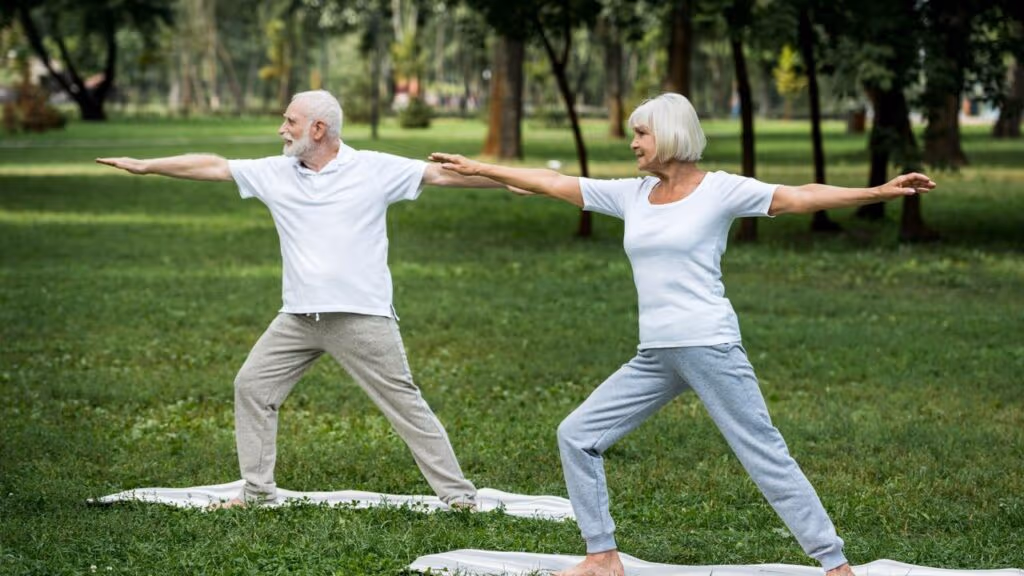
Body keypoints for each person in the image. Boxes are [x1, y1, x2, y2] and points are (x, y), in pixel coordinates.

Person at [430, 93, 935, 576]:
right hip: (655, 354)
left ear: (669, 135)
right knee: (577, 435)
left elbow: (799, 197)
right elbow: (552, 183)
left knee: (762, 452)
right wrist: (481, 168)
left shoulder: (720, 190)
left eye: (641, 133)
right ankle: (602, 556)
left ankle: (835, 563)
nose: (633, 144)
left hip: (709, 345)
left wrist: (877, 191)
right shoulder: (633, 195)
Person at [98, 90, 503, 509]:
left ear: (318, 128)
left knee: (405, 405)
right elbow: (214, 165)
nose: (281, 129)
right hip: (297, 319)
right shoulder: (276, 172)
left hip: (361, 318)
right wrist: (146, 166)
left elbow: (442, 176)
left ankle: (458, 496)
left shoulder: (373, 169)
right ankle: (257, 492)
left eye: (289, 121)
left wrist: (514, 180)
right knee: (252, 386)